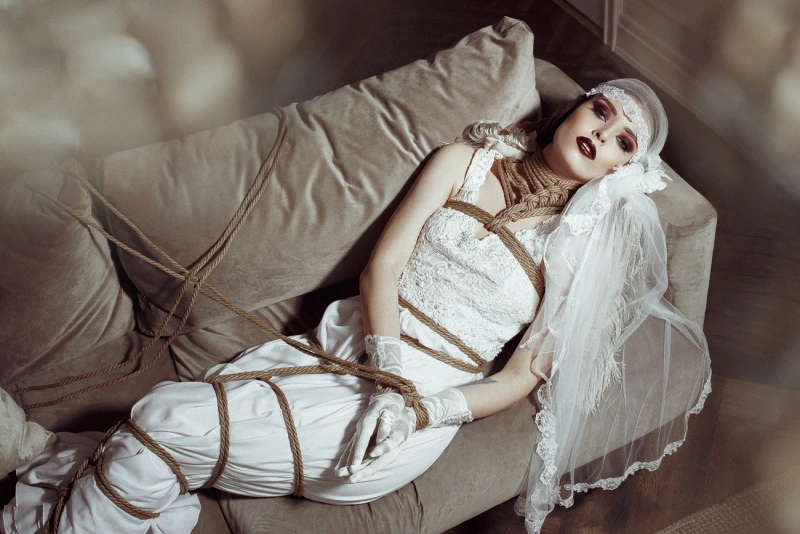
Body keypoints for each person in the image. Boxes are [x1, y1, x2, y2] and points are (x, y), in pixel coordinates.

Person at [1, 79, 711, 534]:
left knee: (160, 419)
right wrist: (386, 365)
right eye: (601, 109)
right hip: (348, 347)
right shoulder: (462, 162)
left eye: (623, 140)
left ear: (624, 170)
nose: (602, 132)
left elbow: (520, 377)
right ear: (575, 106)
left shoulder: (583, 254)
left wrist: (418, 409)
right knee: (157, 435)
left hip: (404, 419)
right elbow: (385, 267)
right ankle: (61, 478)